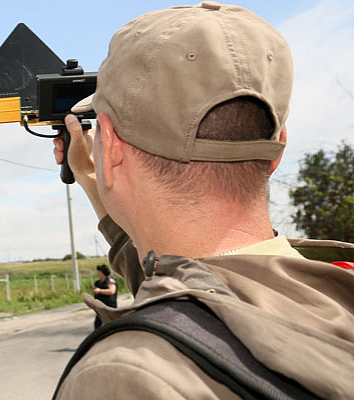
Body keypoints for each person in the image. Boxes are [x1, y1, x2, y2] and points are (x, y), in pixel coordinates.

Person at [51, 3, 354, 399]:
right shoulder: (334, 289)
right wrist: (96, 177)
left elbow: (193, 304)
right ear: (278, 146)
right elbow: (192, 286)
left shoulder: (128, 373)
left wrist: (101, 174)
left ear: (107, 142)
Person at [91, 264, 116, 329]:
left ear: (103, 272)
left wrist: (100, 291)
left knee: (111, 323)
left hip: (110, 306)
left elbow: (112, 291)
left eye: (99, 272)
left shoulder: (110, 281)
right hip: (100, 306)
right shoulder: (97, 282)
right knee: (97, 324)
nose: (98, 273)